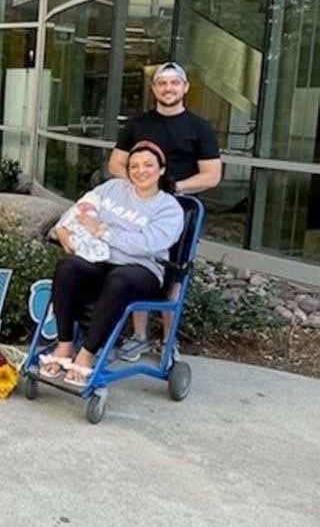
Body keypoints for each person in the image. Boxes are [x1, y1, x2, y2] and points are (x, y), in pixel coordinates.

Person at [41, 141, 184, 387]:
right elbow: (81, 209)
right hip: (101, 262)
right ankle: (64, 346)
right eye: (134, 166)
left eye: (148, 165)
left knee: (120, 279)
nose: (141, 171)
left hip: (143, 271)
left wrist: (103, 232)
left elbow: (147, 244)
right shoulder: (113, 188)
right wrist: (62, 229)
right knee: (68, 266)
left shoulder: (169, 208)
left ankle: (86, 355)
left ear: (161, 170)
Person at [107, 62, 221, 361]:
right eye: (162, 83)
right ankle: (139, 336)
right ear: (154, 89)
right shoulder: (137, 124)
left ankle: (170, 343)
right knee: (139, 266)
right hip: (139, 208)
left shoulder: (200, 127)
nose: (168, 88)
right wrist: (139, 185)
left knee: (174, 275)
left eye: (174, 83)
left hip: (180, 213)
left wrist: (174, 188)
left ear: (185, 87)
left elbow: (212, 175)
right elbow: (115, 164)